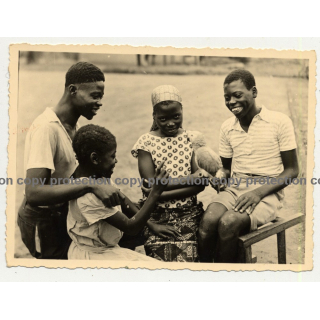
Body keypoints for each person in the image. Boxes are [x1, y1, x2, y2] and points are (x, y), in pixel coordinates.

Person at [17, 62, 121, 259]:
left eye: (101, 97)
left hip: (61, 213)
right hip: (43, 219)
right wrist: (90, 184)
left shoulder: (74, 126)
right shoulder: (47, 128)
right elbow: (34, 193)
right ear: (73, 90)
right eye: (94, 96)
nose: (99, 102)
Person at [198, 69, 299, 263]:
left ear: (254, 92)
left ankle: (226, 277)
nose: (231, 102)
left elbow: (292, 171)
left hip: (268, 191)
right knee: (208, 222)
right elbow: (226, 169)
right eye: (227, 98)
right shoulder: (227, 127)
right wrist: (220, 176)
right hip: (236, 188)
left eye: (237, 95)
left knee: (229, 223)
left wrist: (257, 193)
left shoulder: (279, 121)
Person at [67, 125, 168, 260]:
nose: (116, 160)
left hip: (100, 246)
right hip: (95, 256)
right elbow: (130, 227)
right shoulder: (89, 197)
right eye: (112, 156)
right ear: (95, 159)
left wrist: (150, 224)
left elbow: (123, 199)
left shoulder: (93, 175)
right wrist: (155, 192)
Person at [131, 85, 207, 262]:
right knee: (158, 264)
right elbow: (150, 185)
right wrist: (189, 179)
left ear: (182, 111)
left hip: (188, 213)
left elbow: (200, 185)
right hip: (155, 215)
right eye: (163, 119)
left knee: (188, 261)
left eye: (176, 117)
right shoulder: (146, 142)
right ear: (154, 117)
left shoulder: (191, 138)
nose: (170, 123)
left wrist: (159, 192)